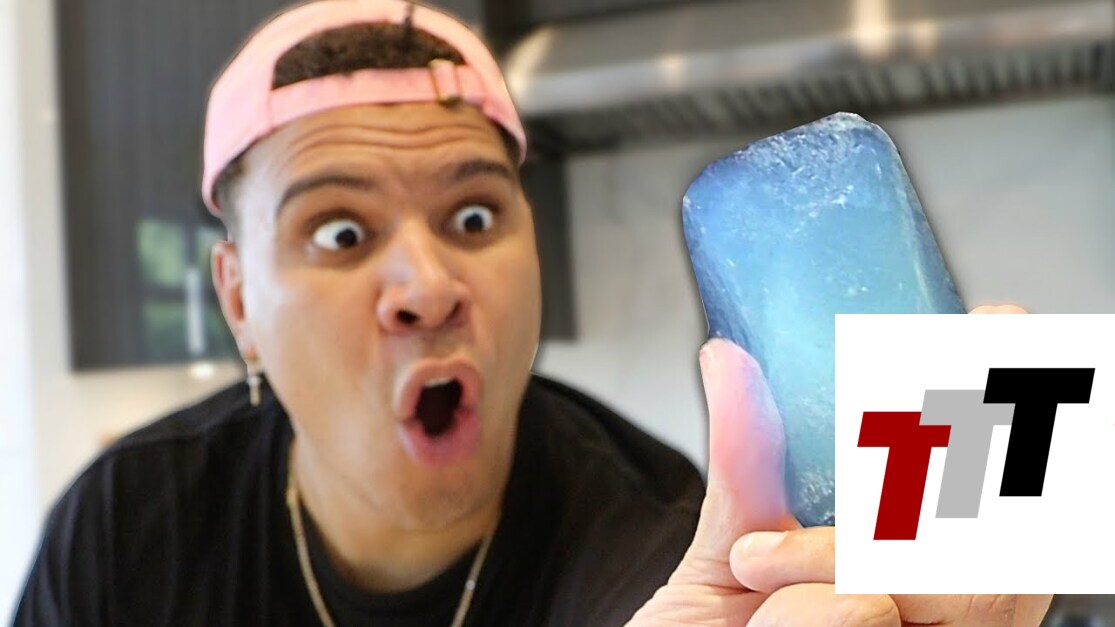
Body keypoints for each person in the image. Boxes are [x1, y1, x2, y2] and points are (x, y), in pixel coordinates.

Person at [14, 0, 1051, 625]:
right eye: (340, 231)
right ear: (239, 300)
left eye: (473, 214)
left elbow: (990, 513)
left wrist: (1026, 484)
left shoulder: (658, 542)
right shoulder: (123, 526)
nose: (428, 285)